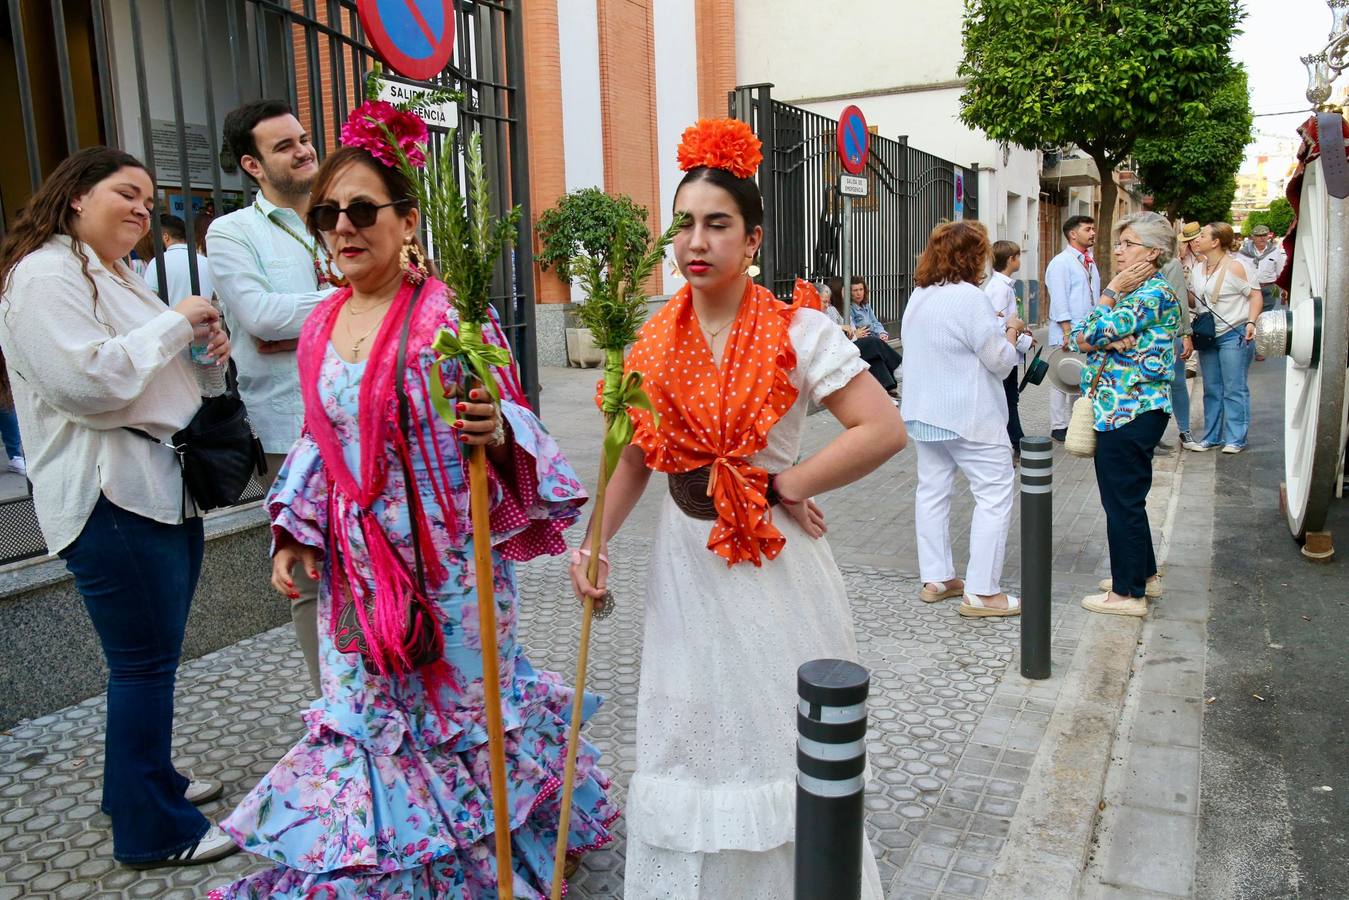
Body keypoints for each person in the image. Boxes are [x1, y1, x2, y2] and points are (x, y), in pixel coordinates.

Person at [210, 106, 616, 898]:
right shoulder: (322, 321)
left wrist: (494, 426)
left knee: (461, 718)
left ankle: (487, 867)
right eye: (326, 214)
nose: (342, 228)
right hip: (357, 570)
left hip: (448, 569)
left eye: (362, 211)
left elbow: (508, 420)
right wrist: (294, 534)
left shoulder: (451, 315)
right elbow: (317, 441)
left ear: (406, 219)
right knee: (368, 721)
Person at [570, 117, 903, 899]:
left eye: (717, 224)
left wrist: (789, 485)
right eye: (684, 223)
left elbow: (881, 427)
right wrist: (594, 545)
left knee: (769, 728)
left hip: (771, 566)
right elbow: (634, 459)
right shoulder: (652, 340)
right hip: (684, 567)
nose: (696, 240)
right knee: (690, 731)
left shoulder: (797, 328)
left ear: (751, 240)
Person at [0, 147, 236, 866]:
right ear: (75, 196)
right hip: (110, 497)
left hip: (160, 487)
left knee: (151, 661)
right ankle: (151, 830)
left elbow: (163, 374)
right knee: (141, 665)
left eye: (148, 198)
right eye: (125, 193)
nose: (141, 208)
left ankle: (143, 784)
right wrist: (177, 323)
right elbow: (89, 384)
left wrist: (204, 347)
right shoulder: (44, 274)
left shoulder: (116, 275)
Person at [208, 99, 338, 694]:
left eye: (304, 138)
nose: (304, 149)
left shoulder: (346, 214)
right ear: (253, 165)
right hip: (290, 432)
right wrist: (358, 299)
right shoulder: (231, 232)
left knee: (381, 564)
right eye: (284, 145)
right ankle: (332, 713)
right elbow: (259, 319)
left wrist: (302, 324)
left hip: (366, 420)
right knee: (310, 579)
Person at [902, 221, 1025, 617]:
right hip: (968, 416)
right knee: (994, 493)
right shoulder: (971, 299)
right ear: (975, 257)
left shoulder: (918, 296)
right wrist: (1010, 331)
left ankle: (937, 577)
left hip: (923, 412)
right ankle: (983, 591)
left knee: (933, 492)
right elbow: (1000, 363)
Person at [1073, 212, 1181, 616]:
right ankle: (1143, 575)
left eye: (1128, 244)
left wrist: (1109, 294)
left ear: (1152, 253)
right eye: (1118, 243)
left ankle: (1126, 594)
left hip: (1131, 410)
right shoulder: (1144, 294)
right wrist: (1096, 334)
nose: (1118, 250)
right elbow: (1075, 336)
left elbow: (1091, 332)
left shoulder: (1150, 295)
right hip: (1122, 409)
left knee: (1122, 503)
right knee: (1126, 499)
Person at [1183, 222, 1260, 454]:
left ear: (1216, 241)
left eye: (1203, 235)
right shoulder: (1198, 268)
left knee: (1234, 388)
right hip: (1208, 335)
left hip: (1232, 332)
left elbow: (1255, 296)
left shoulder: (1237, 267)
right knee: (1212, 388)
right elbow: (1195, 302)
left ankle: (1236, 438)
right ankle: (1212, 437)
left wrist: (1251, 322)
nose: (1197, 239)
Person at [1044, 215, 1101, 441]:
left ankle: (1077, 423)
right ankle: (1059, 426)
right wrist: (1067, 331)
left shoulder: (1089, 260)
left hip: (1087, 331)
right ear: (1073, 234)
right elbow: (1058, 299)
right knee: (1062, 377)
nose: (1093, 233)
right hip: (1068, 332)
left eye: (1093, 228)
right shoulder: (1061, 262)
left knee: (1081, 377)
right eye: (1088, 229)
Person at [984, 241, 1034, 456]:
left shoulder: (1005, 286)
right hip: (1004, 352)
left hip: (1010, 349)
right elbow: (996, 323)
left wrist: (1022, 331)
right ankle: (1014, 442)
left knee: (1010, 397)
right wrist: (1016, 332)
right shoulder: (997, 288)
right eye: (1017, 256)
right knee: (1006, 398)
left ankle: (1015, 440)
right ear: (1010, 259)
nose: (1019, 260)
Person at [826, 275, 903, 399]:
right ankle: (897, 366)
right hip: (842, 350)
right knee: (873, 342)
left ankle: (887, 390)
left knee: (874, 356)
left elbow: (868, 324)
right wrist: (855, 334)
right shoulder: (832, 310)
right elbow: (834, 336)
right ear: (838, 292)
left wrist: (878, 333)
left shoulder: (844, 309)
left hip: (852, 343)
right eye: (848, 291)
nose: (852, 294)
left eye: (860, 290)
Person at [1164, 224, 1198, 446]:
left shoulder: (1171, 264)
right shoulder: (1171, 262)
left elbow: (1180, 301)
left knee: (1175, 383)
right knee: (1171, 383)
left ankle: (1184, 430)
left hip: (1169, 334)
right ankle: (1180, 433)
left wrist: (1186, 333)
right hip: (1153, 334)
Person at [144, 214, 214, 303]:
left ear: (166, 237)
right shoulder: (205, 261)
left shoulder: (158, 262)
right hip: (204, 315)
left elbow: (149, 298)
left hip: (171, 316)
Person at [1238, 224, 1287, 312]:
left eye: (1264, 235)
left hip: (1270, 287)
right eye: (1259, 235)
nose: (1262, 238)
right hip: (1250, 288)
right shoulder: (1243, 253)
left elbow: (1281, 272)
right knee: (1250, 313)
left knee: (1268, 314)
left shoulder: (1275, 251)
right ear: (1252, 237)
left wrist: (1285, 289)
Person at [848, 275, 890, 341]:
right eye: (855, 290)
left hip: (874, 338)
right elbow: (855, 330)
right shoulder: (849, 308)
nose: (859, 293)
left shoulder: (866, 305)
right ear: (849, 292)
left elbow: (875, 322)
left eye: (861, 289)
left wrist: (882, 333)